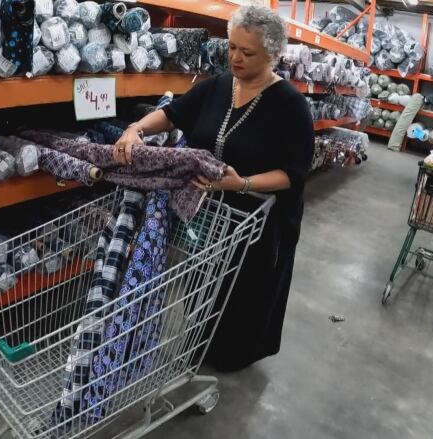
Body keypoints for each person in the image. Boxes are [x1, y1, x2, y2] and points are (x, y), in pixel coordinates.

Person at [113, 5, 314, 372]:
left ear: (271, 54)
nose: (235, 57)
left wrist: (243, 183)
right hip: (207, 212)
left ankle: (234, 354)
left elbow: (294, 172)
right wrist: (136, 130)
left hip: (257, 219)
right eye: (233, 46)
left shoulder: (291, 106)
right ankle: (203, 339)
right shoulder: (220, 85)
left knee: (243, 292)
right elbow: (175, 112)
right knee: (202, 282)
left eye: (247, 52)